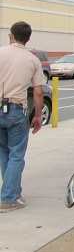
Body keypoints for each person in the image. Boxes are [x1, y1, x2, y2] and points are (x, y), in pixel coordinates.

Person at [0, 21, 44, 213]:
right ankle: (9, 197)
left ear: (11, 36)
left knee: (4, 154)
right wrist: (37, 116)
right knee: (16, 155)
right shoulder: (32, 60)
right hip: (17, 109)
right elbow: (38, 92)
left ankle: (13, 193)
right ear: (28, 38)